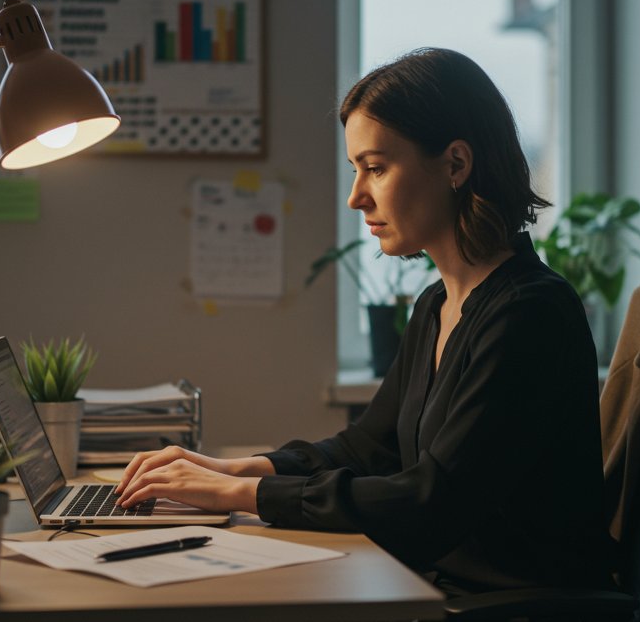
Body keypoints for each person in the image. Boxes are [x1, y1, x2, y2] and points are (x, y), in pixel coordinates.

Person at [115, 48, 612, 595]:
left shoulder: (528, 314)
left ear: (455, 164)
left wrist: (239, 497)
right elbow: (366, 450)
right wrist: (230, 470)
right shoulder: (435, 306)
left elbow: (432, 503)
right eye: (357, 170)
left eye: (375, 168)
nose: (356, 197)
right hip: (439, 590)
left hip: (499, 606)